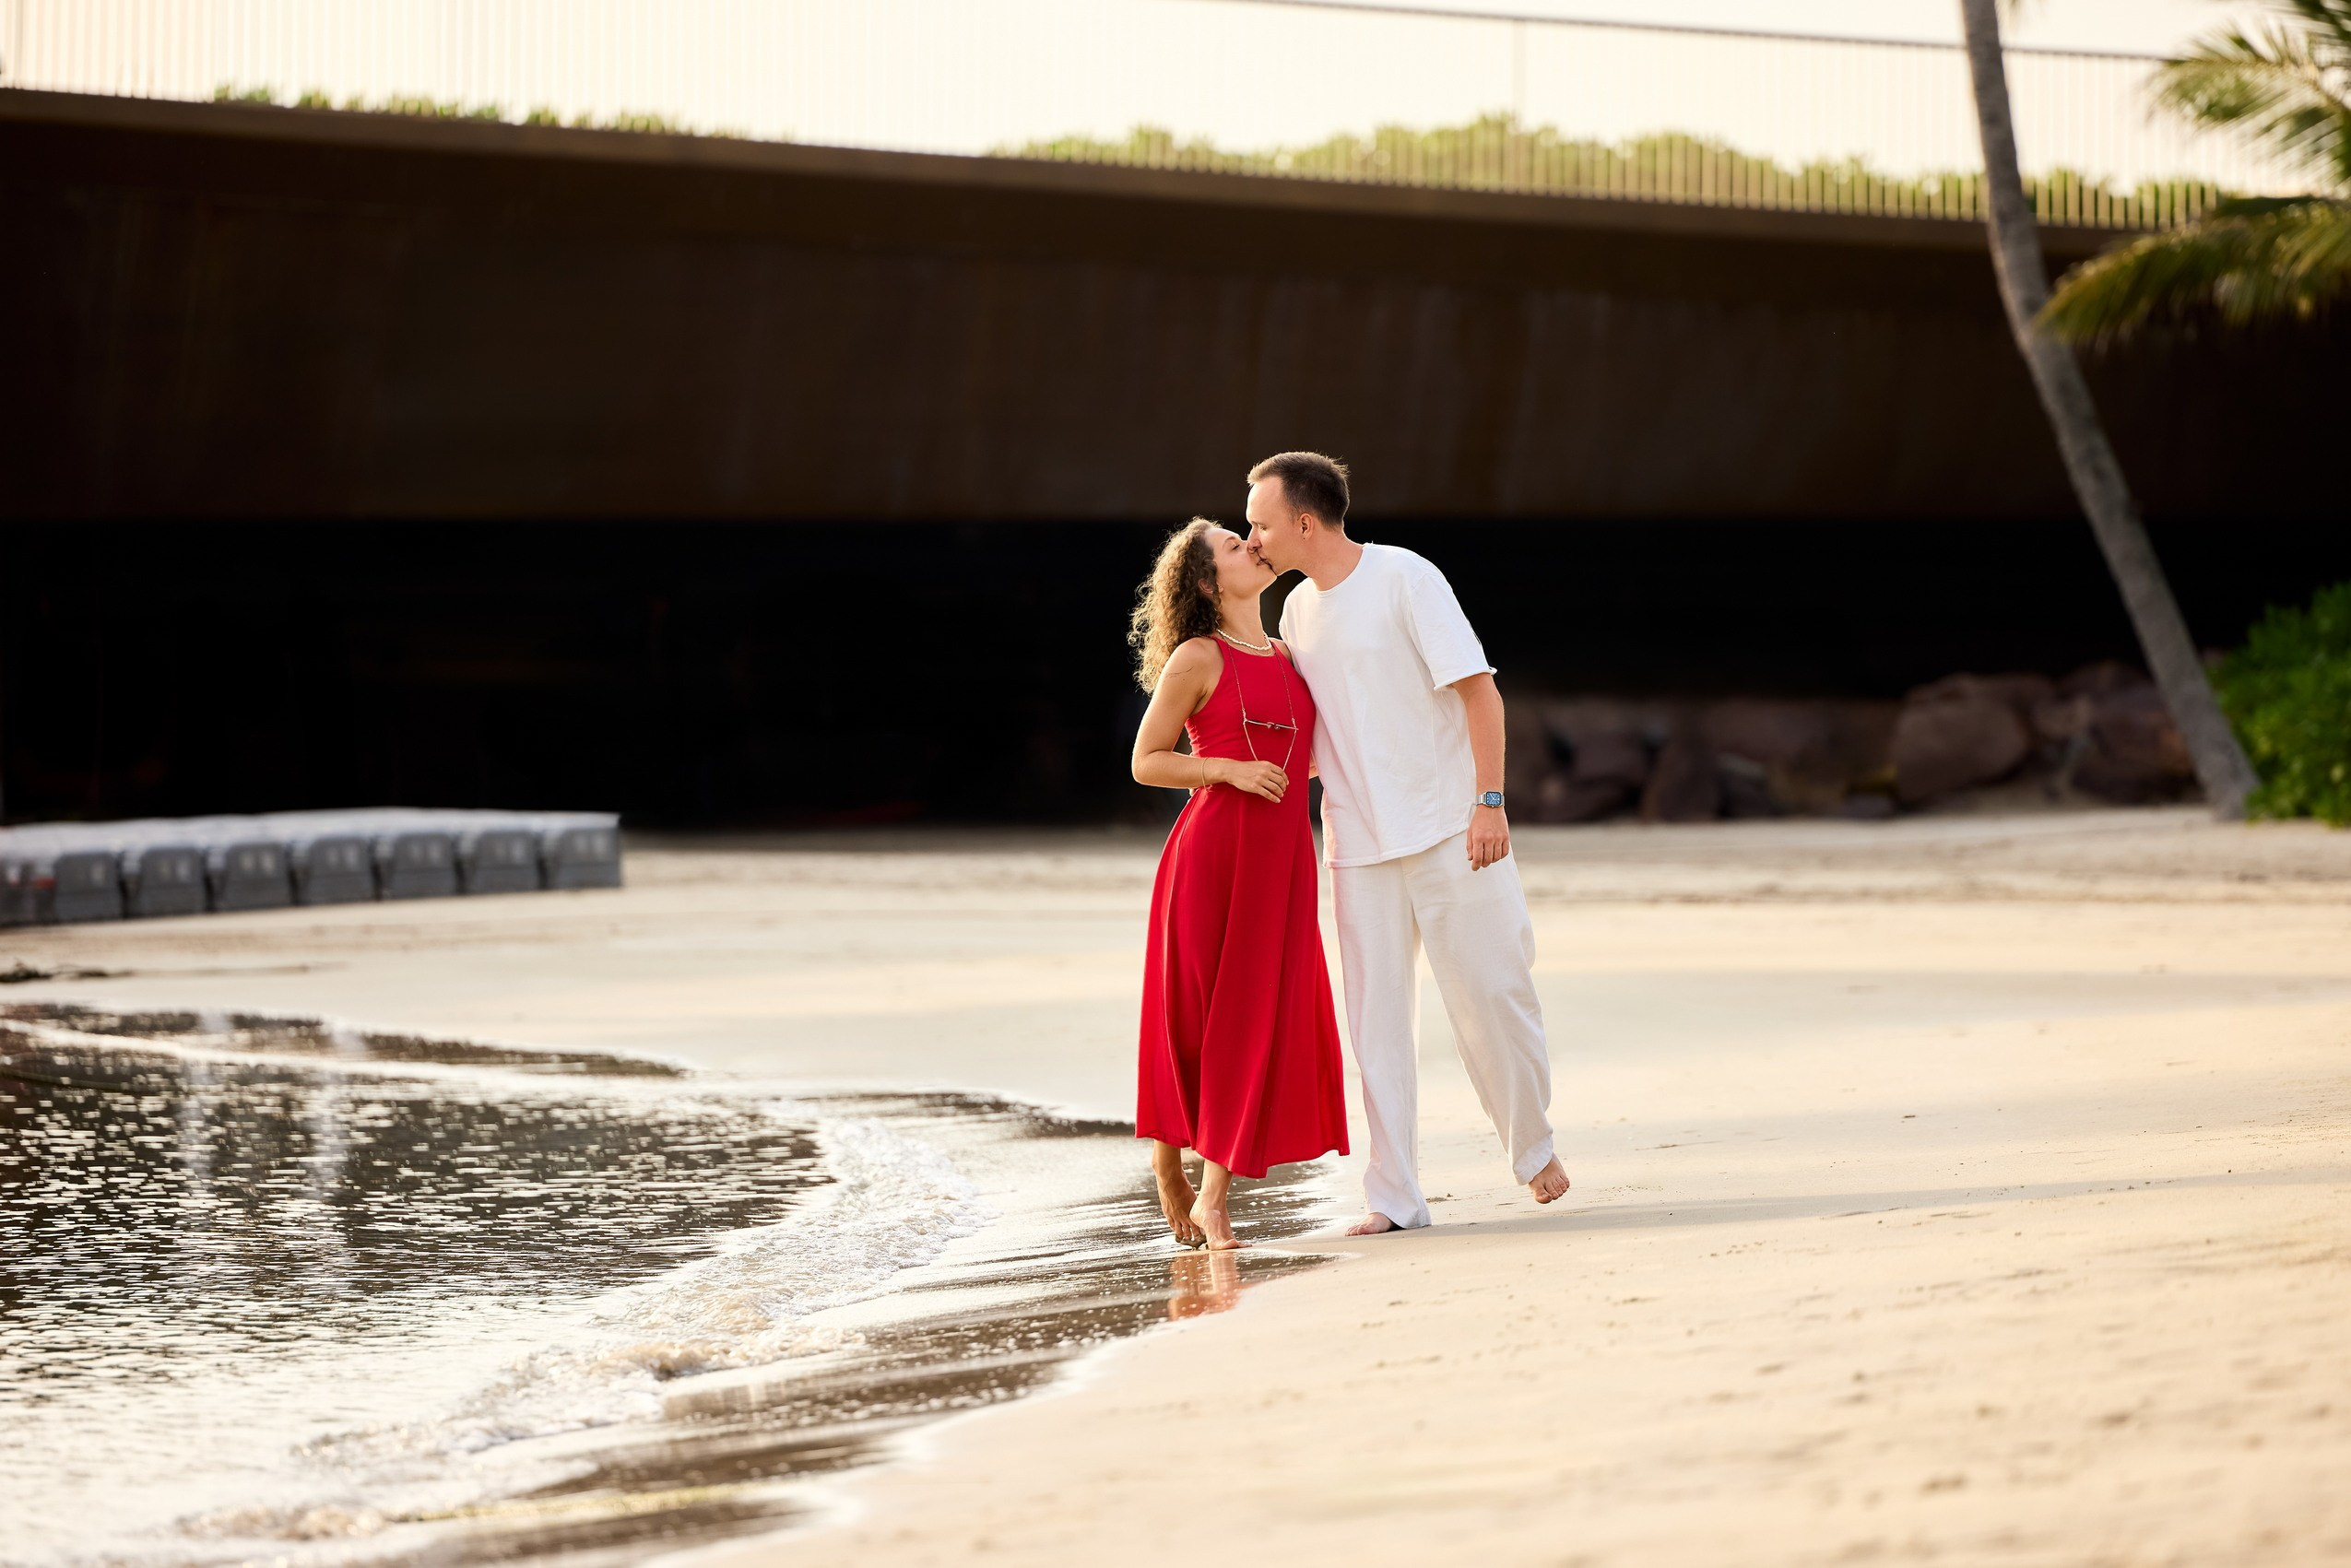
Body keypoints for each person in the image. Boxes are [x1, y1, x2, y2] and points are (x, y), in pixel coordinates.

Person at [1244, 452, 1571, 1235]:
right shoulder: (1293, 613)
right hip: (1357, 842)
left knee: (1494, 991)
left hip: (1451, 825)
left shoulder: (1406, 578)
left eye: (1260, 523)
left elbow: (1478, 689)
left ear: (1304, 522)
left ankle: (1534, 1147)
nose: (1251, 538)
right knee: (1375, 1024)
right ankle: (1393, 1196)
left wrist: (1489, 802)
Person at [1128, 518, 1351, 1251]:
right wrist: (1226, 768)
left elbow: (1307, 750)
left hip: (1281, 865)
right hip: (1212, 859)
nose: (1251, 545)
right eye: (1233, 545)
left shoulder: (1291, 655)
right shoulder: (1197, 656)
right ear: (1206, 582)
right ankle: (1175, 1172)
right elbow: (1147, 760)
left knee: (1256, 1019)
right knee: (1196, 1022)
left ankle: (1213, 1193)